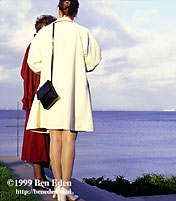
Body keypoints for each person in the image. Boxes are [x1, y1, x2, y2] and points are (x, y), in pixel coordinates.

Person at [26, 0, 101, 200]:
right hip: (74, 90)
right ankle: (66, 188)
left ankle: (58, 187)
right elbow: (93, 61)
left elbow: (33, 62)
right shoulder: (83, 32)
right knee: (69, 140)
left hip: (52, 91)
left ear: (58, 10)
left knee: (55, 140)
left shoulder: (44, 33)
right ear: (76, 12)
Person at [21, 14, 57, 190]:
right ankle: (38, 178)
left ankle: (42, 177)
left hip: (45, 98)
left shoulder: (44, 46)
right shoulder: (34, 47)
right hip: (37, 98)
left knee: (46, 139)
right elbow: (27, 73)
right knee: (37, 138)